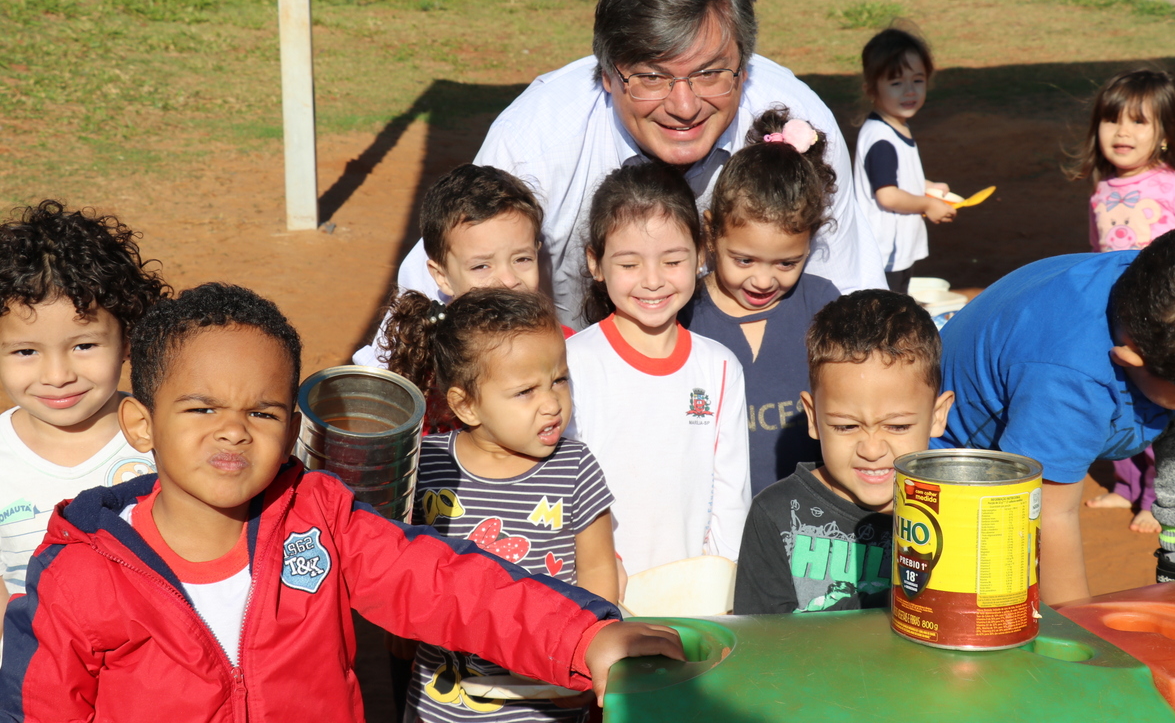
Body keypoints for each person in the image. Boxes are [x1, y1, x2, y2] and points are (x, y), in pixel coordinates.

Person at [0, 283, 683, 721]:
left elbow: (450, 585)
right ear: (141, 424)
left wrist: (585, 636)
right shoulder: (80, 574)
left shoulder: (321, 523)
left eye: (263, 412)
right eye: (201, 407)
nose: (234, 430)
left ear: (293, 430)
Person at [354, 0, 884, 354]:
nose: (684, 106)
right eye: (652, 77)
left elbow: (850, 289)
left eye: (709, 73)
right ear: (607, 75)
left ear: (743, 68)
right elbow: (437, 285)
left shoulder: (799, 125)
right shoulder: (537, 139)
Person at [383, 288, 616, 723]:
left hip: (547, 703)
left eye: (559, 380)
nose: (552, 403)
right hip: (440, 706)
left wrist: (587, 656)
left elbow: (598, 568)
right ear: (466, 405)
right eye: (525, 391)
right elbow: (398, 565)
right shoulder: (426, 466)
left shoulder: (575, 467)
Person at [934, 229, 1175, 606]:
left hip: (1089, 384)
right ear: (1129, 359)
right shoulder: (1069, 378)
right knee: (983, 589)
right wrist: (1078, 626)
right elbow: (1047, 515)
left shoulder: (1163, 283)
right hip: (967, 468)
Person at [565, 161, 751, 581]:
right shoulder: (570, 363)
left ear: (700, 255)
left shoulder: (720, 367)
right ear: (595, 263)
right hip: (595, 594)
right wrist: (600, 571)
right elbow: (560, 485)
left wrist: (720, 584)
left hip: (695, 601)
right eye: (629, 264)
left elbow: (731, 497)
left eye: (671, 261)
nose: (652, 281)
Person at [0, 200, 168, 636]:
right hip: (33, 665)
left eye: (84, 346)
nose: (58, 376)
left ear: (128, 339)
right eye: (26, 351)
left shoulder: (167, 439)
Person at [733, 290, 952, 614]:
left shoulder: (959, 511)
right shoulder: (775, 513)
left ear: (937, 416)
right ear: (813, 417)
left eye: (897, 426)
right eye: (847, 426)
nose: (872, 450)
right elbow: (760, 638)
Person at [681, 106, 841, 496]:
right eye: (744, 260)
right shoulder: (684, 312)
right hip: (712, 517)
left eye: (787, 263)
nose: (764, 281)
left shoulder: (822, 306)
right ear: (711, 232)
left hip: (806, 516)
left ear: (810, 242)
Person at [1071, 68, 1175, 534]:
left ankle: (1154, 498)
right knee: (1120, 402)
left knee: (1163, 412)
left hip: (1166, 325)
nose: (1122, 131)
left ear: (1164, 134)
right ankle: (1126, 487)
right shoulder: (1102, 192)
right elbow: (1097, 254)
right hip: (1119, 318)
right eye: (1112, 119)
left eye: (1139, 121)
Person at [360, 164, 555, 374]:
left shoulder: (561, 346)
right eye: (481, 266)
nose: (508, 280)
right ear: (442, 277)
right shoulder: (427, 364)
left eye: (522, 259)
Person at [852, 25, 955, 295]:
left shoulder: (894, 127)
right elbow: (888, 195)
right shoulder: (882, 139)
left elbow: (894, 177)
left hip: (893, 249)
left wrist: (927, 186)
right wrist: (928, 204)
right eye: (896, 83)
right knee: (885, 310)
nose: (909, 91)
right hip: (886, 251)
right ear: (871, 89)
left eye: (917, 80)